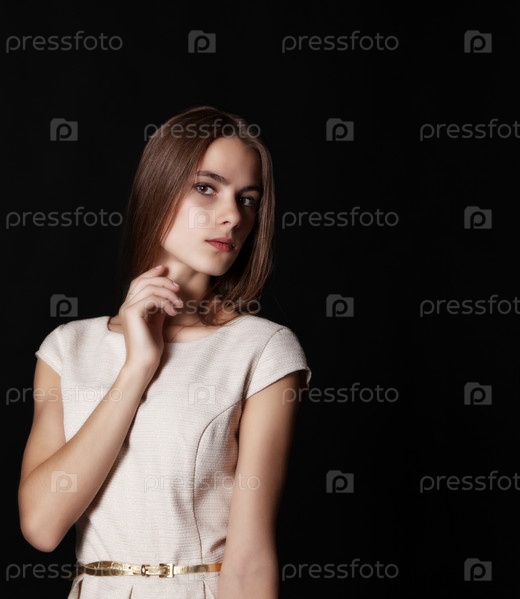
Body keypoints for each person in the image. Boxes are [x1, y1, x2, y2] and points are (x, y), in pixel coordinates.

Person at [18, 105, 311, 599]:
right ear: (159, 186)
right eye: (207, 187)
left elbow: (249, 562)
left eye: (248, 199)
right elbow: (42, 527)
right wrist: (137, 367)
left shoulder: (262, 349)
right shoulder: (67, 348)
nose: (232, 215)